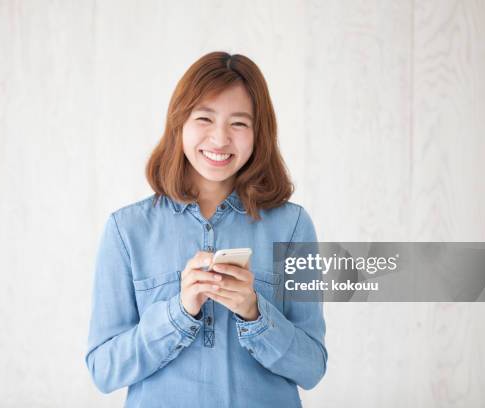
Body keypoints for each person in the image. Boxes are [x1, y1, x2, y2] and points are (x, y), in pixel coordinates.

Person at [85, 51, 328, 407]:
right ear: (179, 124)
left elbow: (312, 368)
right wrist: (179, 312)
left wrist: (255, 313)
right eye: (204, 118)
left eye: (239, 124)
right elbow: (103, 370)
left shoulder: (292, 226)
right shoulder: (126, 229)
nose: (219, 139)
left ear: (259, 133)